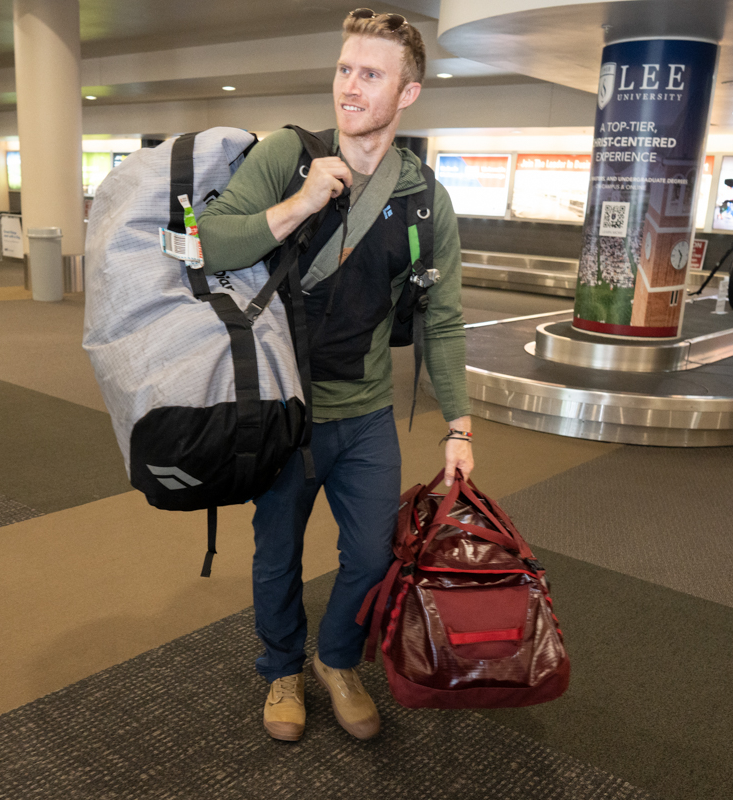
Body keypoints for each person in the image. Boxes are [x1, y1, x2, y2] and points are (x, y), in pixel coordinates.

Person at [198, 8, 473, 743]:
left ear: (407, 94)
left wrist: (458, 426)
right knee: (277, 553)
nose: (350, 87)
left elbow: (442, 319)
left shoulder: (424, 197)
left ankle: (337, 658)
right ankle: (282, 666)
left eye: (371, 74)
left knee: (375, 556)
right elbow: (212, 242)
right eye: (345, 69)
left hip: (366, 415)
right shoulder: (288, 154)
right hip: (283, 411)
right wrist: (300, 203)